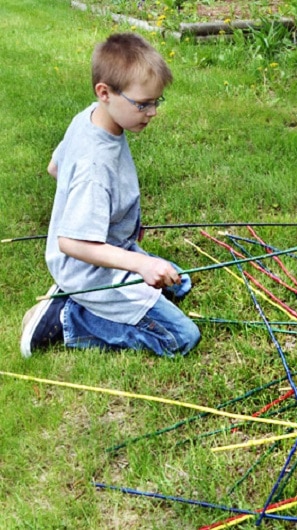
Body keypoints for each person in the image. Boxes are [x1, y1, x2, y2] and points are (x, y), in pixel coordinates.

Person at [20, 32, 200, 358]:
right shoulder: (95, 164)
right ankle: (68, 317)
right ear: (105, 92)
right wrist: (137, 264)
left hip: (106, 249)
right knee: (182, 337)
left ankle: (82, 295)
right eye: (143, 104)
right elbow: (71, 243)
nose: (153, 112)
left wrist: (113, 222)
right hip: (88, 268)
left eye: (156, 102)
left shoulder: (91, 117)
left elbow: (54, 167)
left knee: (179, 282)